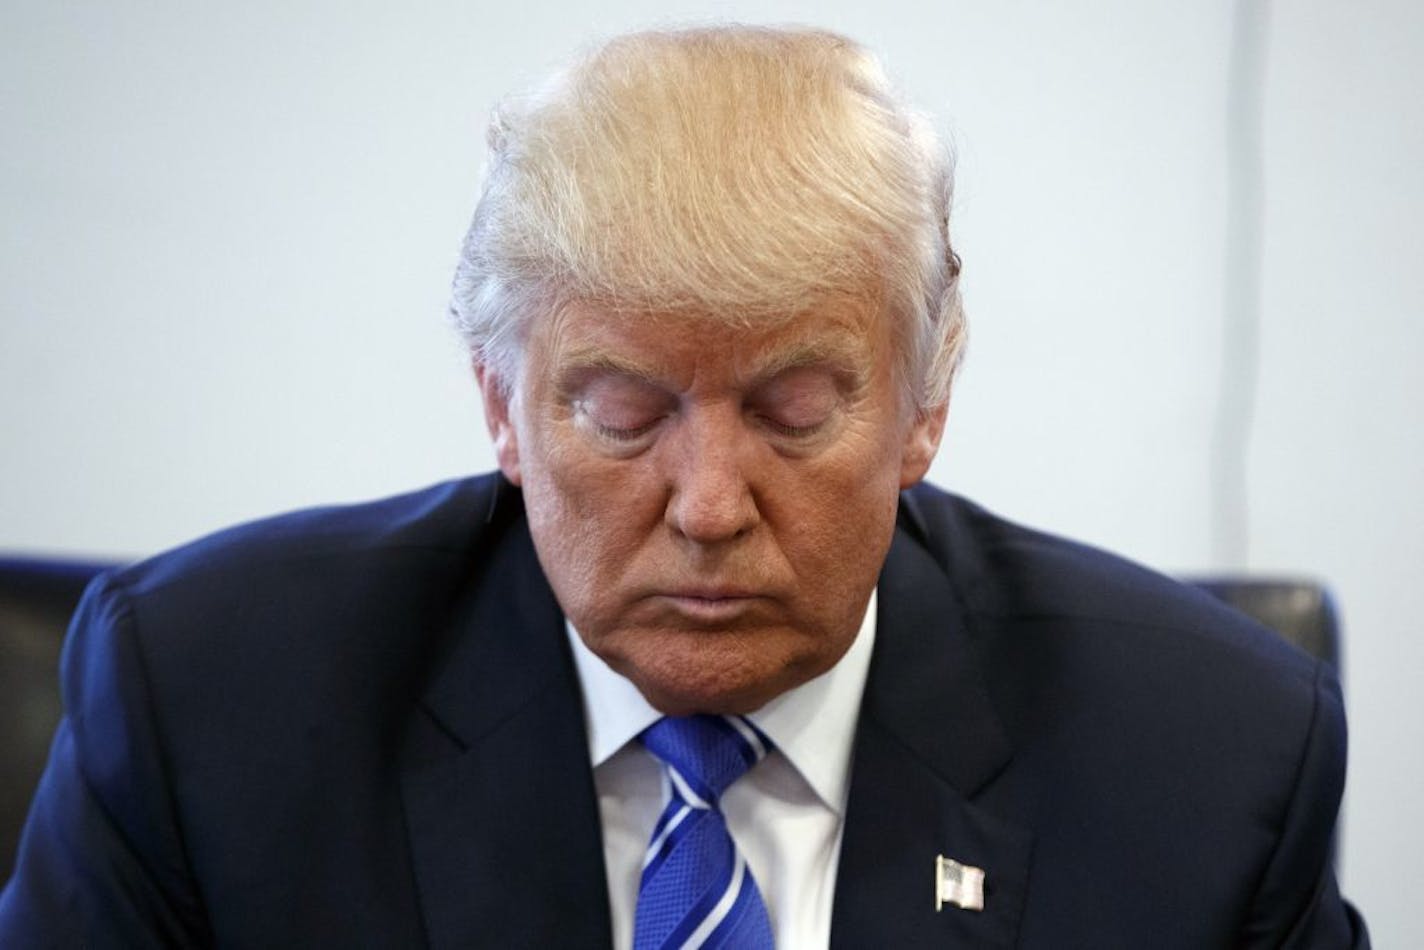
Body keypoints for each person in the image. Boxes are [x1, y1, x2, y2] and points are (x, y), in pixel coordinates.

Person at [0, 25, 1367, 948]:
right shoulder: (210, 709)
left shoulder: (1207, 760)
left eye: (793, 412)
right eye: (620, 411)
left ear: (924, 403)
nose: (710, 503)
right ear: (503, 407)